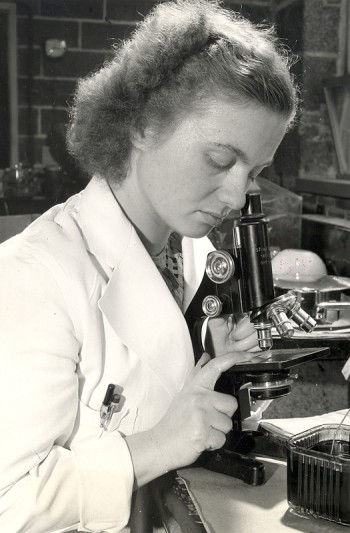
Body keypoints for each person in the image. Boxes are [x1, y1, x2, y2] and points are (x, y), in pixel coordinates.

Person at [0, 1, 297, 531]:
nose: (237, 193)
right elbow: (10, 503)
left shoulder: (193, 256)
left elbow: (157, 385)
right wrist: (151, 448)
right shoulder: (32, 275)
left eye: (255, 171)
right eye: (221, 160)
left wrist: (214, 369)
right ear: (143, 126)